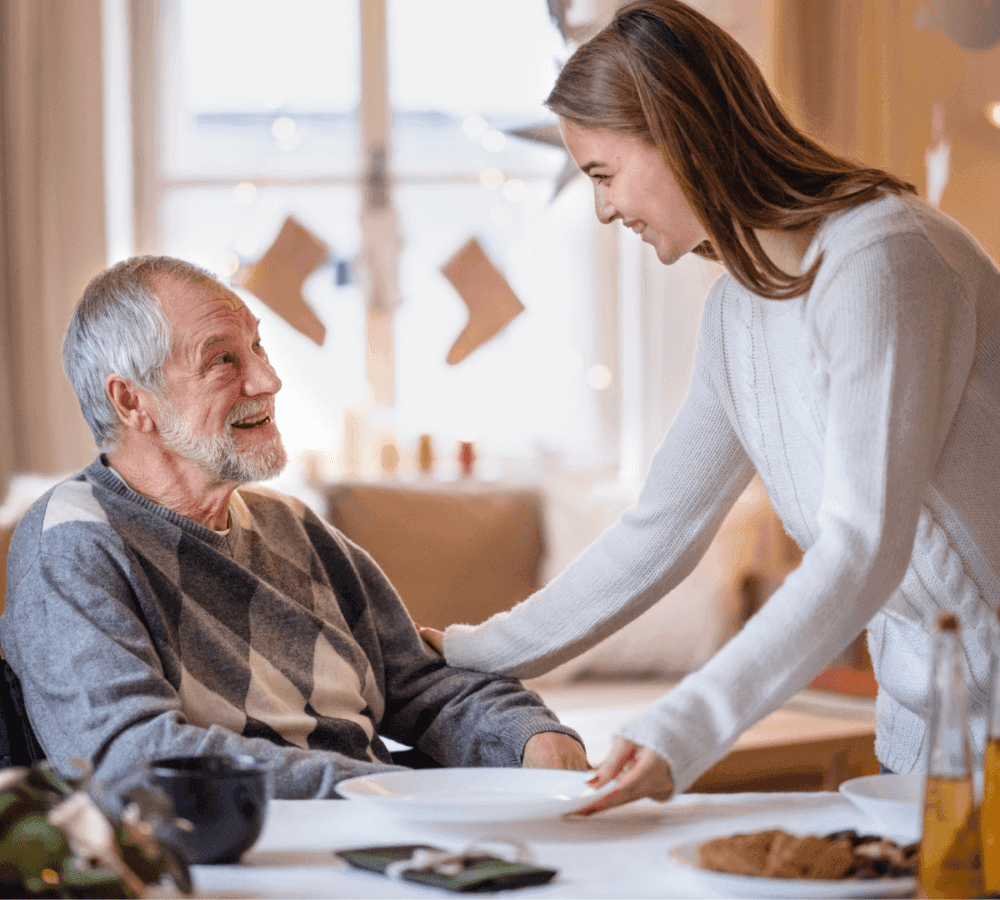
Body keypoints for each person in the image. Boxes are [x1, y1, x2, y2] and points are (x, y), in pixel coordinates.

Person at [421, 0, 1000, 815]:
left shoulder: (885, 262)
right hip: (924, 727)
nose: (603, 208)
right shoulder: (739, 312)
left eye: (603, 174)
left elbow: (863, 546)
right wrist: (474, 651)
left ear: (680, 136)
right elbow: (658, 532)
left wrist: (683, 726)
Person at [0, 255, 588, 798]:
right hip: (248, 854)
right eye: (223, 359)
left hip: (376, 827)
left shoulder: (290, 524)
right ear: (132, 403)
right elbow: (133, 761)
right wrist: (383, 791)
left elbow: (418, 681)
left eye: (258, 346)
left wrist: (531, 736)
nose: (267, 380)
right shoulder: (72, 540)